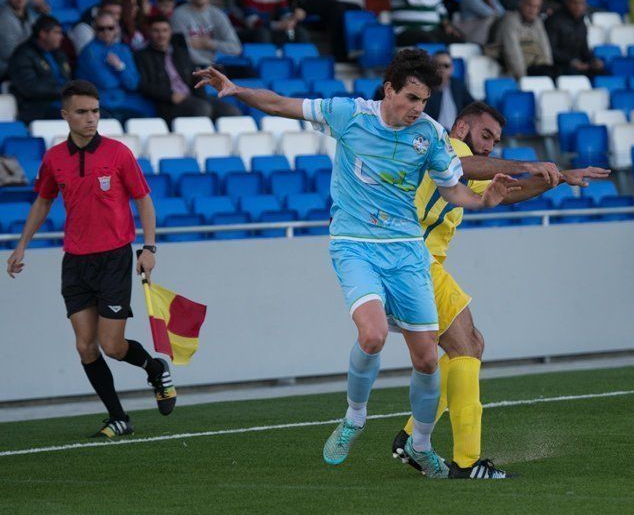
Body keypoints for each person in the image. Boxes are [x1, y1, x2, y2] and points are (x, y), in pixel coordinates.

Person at [195, 49, 523, 478]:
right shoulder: (349, 114)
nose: (416, 109)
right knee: (373, 334)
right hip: (355, 244)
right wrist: (237, 90)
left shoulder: (429, 135)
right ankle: (354, 417)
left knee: (426, 359)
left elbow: (453, 192)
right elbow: (281, 104)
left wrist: (483, 199)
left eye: (423, 101)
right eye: (410, 98)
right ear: (389, 89)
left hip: (406, 251)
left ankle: (420, 445)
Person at [391, 101, 609, 479]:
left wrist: (559, 177)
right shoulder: (449, 148)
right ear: (461, 128)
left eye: (495, 140)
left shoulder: (459, 162)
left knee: (469, 345)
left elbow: (508, 193)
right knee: (466, 345)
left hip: (412, 263)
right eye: (485, 135)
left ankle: (413, 438)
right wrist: (527, 164)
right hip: (410, 259)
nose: (490, 146)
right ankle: (467, 462)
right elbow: (467, 166)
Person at [5, 80, 176, 438]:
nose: (90, 118)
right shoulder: (53, 158)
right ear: (65, 115)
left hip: (114, 259)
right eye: (82, 112)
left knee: (112, 346)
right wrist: (22, 245)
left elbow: (144, 200)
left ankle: (154, 367)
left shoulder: (118, 153)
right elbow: (42, 201)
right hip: (76, 262)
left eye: (95, 111)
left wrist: (150, 247)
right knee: (85, 346)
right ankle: (118, 418)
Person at [135, 15, 242, 122]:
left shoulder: (180, 51)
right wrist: (170, 95)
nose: (161, 35)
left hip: (192, 97)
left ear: (170, 32)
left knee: (231, 111)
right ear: (149, 32)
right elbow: (143, 85)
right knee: (202, 108)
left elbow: (193, 75)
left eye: (165, 30)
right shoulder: (142, 56)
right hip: (168, 103)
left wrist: (202, 98)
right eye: (156, 31)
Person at [77, 10, 152, 121]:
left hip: (126, 102)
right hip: (102, 104)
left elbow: (134, 84)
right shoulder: (89, 53)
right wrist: (124, 75)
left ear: (116, 28)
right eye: (101, 28)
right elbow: (107, 83)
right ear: (94, 29)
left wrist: (120, 67)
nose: (106, 32)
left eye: (110, 28)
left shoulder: (123, 49)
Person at [8, 15, 72, 123]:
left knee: (98, 113)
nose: (61, 37)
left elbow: (67, 79)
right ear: (43, 34)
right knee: (77, 117)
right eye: (56, 32)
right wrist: (62, 90)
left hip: (62, 103)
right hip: (36, 108)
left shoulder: (59, 54)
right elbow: (29, 87)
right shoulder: (23, 54)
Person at [170, 0, 242, 68]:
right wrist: (207, 64)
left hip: (217, 65)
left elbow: (236, 48)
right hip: (189, 67)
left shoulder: (219, 15)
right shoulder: (178, 15)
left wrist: (207, 43)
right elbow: (181, 50)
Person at [493, 0, 555, 79]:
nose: (532, 10)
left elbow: (545, 48)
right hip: (515, 73)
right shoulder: (510, 20)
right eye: (529, 5)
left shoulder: (537, 21)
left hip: (536, 67)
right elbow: (512, 54)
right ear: (521, 4)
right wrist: (524, 79)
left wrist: (548, 69)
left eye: (536, 7)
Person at [545, 0, 605, 76]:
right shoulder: (554, 21)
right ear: (566, 2)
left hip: (579, 64)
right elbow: (550, 50)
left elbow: (585, 50)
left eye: (582, 3)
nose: (579, 7)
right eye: (575, 3)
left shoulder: (581, 22)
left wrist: (593, 60)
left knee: (603, 72)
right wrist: (571, 62)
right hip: (560, 66)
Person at [233, 0, 309, 46]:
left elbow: (284, 14)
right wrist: (279, 25)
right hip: (242, 31)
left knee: (300, 32)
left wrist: (294, 17)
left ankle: (298, 66)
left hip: (268, 29)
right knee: (262, 33)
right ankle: (264, 67)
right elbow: (253, 23)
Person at [425, 51, 474, 132]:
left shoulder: (457, 85)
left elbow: (472, 106)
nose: (442, 69)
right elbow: (426, 117)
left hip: (458, 134)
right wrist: (438, 87)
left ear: (452, 69)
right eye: (437, 65)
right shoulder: (426, 87)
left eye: (446, 66)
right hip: (435, 135)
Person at [391, 0, 462, 46]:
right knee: (427, 39)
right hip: (406, 30)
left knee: (457, 39)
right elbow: (410, 0)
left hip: (432, 30)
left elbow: (442, 13)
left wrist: (447, 26)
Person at [0, 0, 39, 80]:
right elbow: (9, 53)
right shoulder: (2, 18)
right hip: (7, 67)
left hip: (27, 62)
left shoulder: (31, 16)